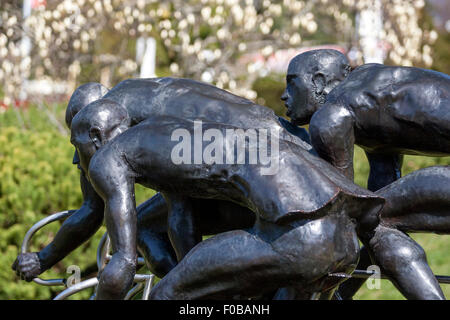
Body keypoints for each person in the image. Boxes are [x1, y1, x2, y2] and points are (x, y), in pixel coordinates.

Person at [70, 98, 384, 299]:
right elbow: (180, 216)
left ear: (96, 137)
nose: (76, 159)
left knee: (167, 297)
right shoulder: (167, 133)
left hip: (298, 235)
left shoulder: (109, 155)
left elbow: (123, 262)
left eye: (76, 145)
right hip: (344, 239)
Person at [13, 77, 311, 281]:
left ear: (94, 126)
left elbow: (180, 214)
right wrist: (44, 259)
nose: (79, 160)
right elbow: (93, 207)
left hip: (273, 170)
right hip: (286, 153)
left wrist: (187, 284)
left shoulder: (131, 124)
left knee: (144, 227)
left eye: (80, 146)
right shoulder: (135, 97)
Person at [282, 49, 449, 299]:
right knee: (376, 223)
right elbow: (372, 203)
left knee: (374, 222)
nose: (285, 96)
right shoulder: (371, 95)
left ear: (318, 82)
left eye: (292, 83)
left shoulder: (332, 113)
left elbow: (345, 213)